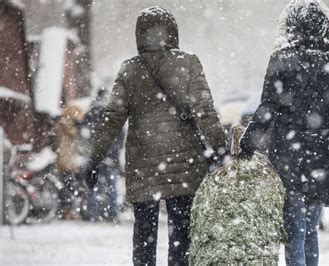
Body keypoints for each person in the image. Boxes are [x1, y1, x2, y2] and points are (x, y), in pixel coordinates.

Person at [82, 7, 227, 265]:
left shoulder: (129, 70)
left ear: (140, 34)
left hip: (143, 166)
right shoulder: (189, 63)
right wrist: (221, 148)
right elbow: (205, 111)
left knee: (144, 235)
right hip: (185, 166)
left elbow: (111, 119)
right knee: (181, 235)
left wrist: (94, 159)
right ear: (173, 32)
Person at [238, 1, 329, 265]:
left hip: (288, 156)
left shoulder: (281, 61)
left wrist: (247, 145)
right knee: (310, 230)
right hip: (320, 157)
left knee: (294, 231)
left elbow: (267, 108)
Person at [83, 88, 123, 222]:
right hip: (111, 155)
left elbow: (85, 132)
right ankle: (112, 214)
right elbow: (120, 135)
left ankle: (93, 214)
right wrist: (115, 151)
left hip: (96, 156)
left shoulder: (92, 111)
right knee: (112, 187)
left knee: (94, 186)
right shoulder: (113, 111)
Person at [54, 104, 87, 219]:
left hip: (65, 160)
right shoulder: (67, 125)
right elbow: (73, 135)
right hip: (68, 161)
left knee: (67, 188)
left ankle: (66, 211)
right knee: (69, 188)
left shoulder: (61, 124)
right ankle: (67, 211)